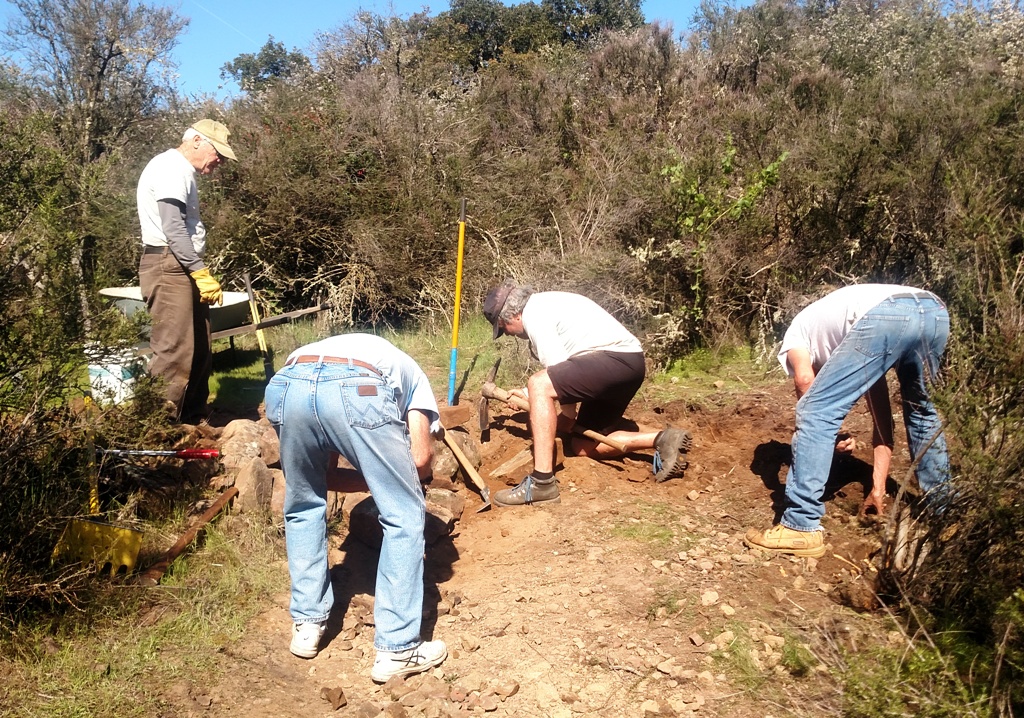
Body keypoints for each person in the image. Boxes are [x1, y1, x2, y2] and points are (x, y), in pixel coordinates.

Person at [264, 333, 448, 682]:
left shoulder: (372, 353)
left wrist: (380, 478)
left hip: (288, 384)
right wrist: (395, 481)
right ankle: (398, 648)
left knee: (303, 504)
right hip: (356, 386)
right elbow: (422, 460)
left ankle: (307, 624)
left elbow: (327, 476)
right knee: (405, 515)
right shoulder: (419, 383)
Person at [745, 284, 950, 558]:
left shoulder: (797, 332)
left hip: (887, 315)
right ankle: (946, 513)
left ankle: (800, 526)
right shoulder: (850, 339)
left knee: (815, 408)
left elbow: (806, 382)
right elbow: (882, 418)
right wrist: (878, 488)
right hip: (933, 311)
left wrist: (827, 438)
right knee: (921, 413)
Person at [483, 282, 692, 507]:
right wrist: (527, 394)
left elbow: (556, 369)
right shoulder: (547, 302)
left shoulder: (535, 315)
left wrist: (567, 414)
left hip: (615, 360)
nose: (509, 334)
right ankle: (662, 439)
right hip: (628, 365)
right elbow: (566, 372)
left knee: (538, 383)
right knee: (582, 446)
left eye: (503, 329)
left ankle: (541, 483)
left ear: (511, 317)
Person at [137, 119, 236, 423]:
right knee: (174, 349)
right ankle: (157, 426)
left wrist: (196, 271)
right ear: (196, 141)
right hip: (169, 266)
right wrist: (199, 271)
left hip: (181, 265)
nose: (219, 160)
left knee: (201, 345)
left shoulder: (183, 172)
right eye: (216, 152)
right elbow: (174, 229)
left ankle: (192, 418)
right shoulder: (170, 167)